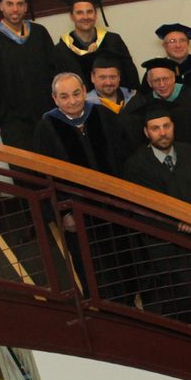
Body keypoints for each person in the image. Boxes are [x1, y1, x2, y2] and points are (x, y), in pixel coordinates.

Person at [121, 107, 191, 333]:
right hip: (167, 247)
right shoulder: (135, 166)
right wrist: (177, 222)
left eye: (166, 126)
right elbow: (142, 209)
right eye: (155, 128)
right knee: (182, 305)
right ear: (146, 132)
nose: (162, 133)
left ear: (173, 127)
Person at [31, 72, 131, 302]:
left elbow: (122, 157)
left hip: (114, 207)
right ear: (55, 99)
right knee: (91, 263)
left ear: (85, 91)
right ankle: (100, 305)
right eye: (64, 96)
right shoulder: (47, 128)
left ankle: (127, 303)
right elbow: (43, 177)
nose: (73, 101)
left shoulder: (103, 116)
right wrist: (62, 212)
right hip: (77, 213)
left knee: (122, 258)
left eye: (76, 93)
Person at [0, 0, 56, 151]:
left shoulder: (39, 34)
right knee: (24, 171)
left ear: (26, 7)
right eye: (9, 4)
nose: (15, 9)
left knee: (58, 165)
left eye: (19, 4)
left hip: (46, 113)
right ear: (1, 6)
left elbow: (54, 71)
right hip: (14, 122)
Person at [51, 0, 138, 90]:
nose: (86, 17)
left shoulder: (113, 41)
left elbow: (130, 76)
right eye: (79, 13)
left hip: (116, 103)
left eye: (89, 12)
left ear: (96, 14)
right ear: (71, 16)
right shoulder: (62, 50)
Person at [120, 57, 191, 157]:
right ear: (149, 82)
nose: (162, 84)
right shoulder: (143, 102)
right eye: (156, 80)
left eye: (166, 79)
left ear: (174, 78)